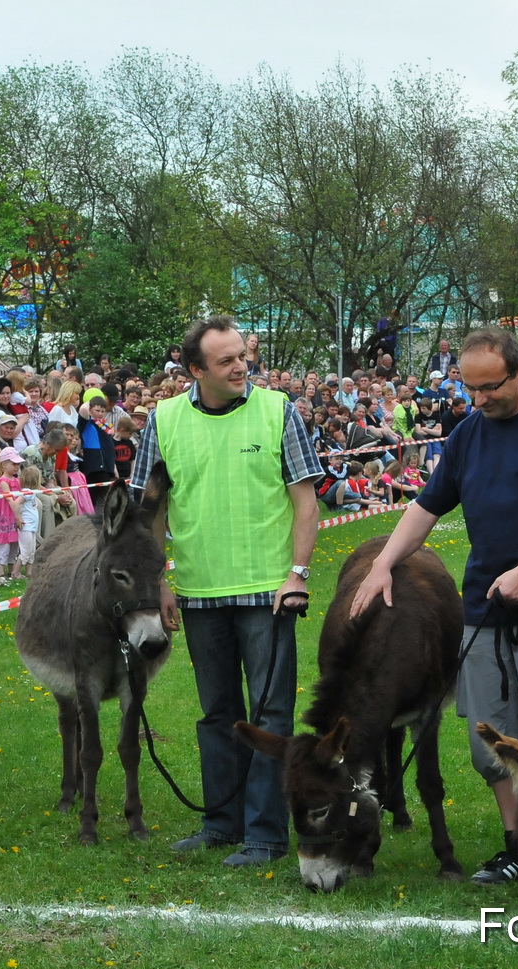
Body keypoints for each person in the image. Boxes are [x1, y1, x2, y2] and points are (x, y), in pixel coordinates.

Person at [348, 326, 518, 894]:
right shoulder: (470, 432)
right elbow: (427, 506)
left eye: (490, 388)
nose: (480, 400)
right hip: (483, 608)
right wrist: (383, 563)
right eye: (470, 389)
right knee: (492, 744)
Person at [129, 315, 321, 868]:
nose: (241, 367)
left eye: (243, 356)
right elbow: (153, 510)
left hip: (268, 592)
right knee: (216, 714)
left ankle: (265, 835)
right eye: (227, 361)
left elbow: (306, 500)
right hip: (198, 593)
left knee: (269, 717)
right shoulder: (163, 419)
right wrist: (159, 580)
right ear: (195, 370)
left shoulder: (278, 410)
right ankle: (221, 824)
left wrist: (298, 575)